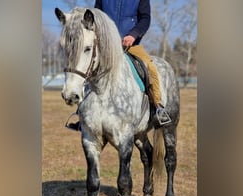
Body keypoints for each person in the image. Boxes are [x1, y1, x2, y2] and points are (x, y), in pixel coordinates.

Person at [66, 0, 170, 131]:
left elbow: (145, 19)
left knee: (150, 68)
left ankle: (158, 108)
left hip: (130, 45)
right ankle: (82, 114)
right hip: (106, 47)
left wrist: (133, 35)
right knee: (87, 67)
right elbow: (95, 16)